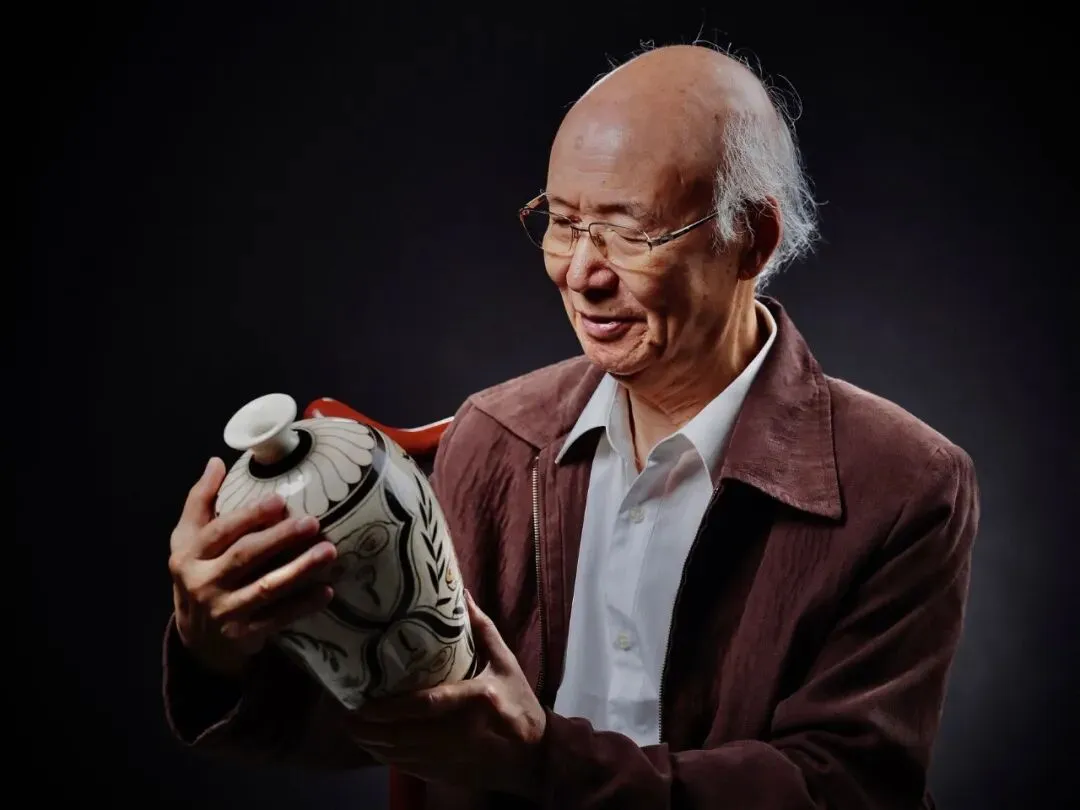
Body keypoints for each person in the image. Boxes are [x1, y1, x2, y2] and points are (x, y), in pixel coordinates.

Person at [163, 43, 980, 810]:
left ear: (750, 239)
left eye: (628, 231)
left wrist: (538, 760)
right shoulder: (493, 436)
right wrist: (218, 650)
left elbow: (844, 788)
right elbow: (379, 706)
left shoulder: (904, 486)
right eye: (561, 221)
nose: (581, 273)